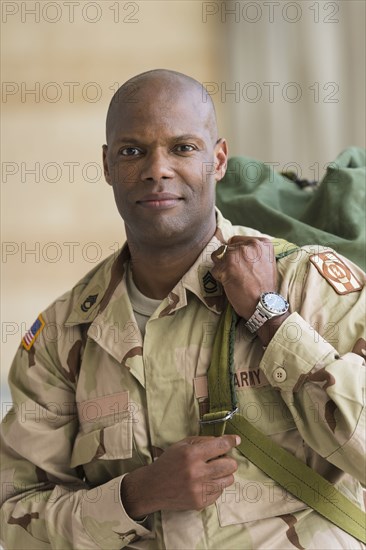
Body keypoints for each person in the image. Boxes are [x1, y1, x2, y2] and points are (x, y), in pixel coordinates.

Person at [0, 69, 365, 550]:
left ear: (217, 159)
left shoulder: (306, 281)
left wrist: (271, 318)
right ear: (108, 165)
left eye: (182, 148)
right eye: (133, 151)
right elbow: (15, 513)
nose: (157, 169)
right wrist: (134, 495)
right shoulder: (64, 334)